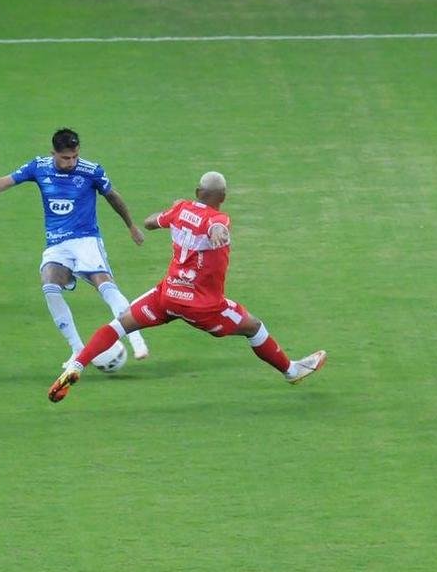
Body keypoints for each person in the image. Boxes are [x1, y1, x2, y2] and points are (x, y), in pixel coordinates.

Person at [48, 171, 325, 403]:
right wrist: (218, 234)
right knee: (253, 326)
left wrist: (174, 211)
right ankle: (291, 371)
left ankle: (77, 364)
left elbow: (150, 222)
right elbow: (217, 226)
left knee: (120, 324)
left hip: (167, 296)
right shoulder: (220, 219)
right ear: (223, 198)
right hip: (204, 307)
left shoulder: (181, 210)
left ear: (197, 191)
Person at [0, 128, 150, 366]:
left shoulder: (91, 171)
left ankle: (137, 339)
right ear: (54, 153)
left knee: (105, 284)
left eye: (75, 157)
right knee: (49, 284)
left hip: (86, 240)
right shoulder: (39, 167)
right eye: (65, 158)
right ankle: (77, 349)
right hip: (57, 245)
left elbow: (113, 196)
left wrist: (131, 226)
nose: (71, 162)